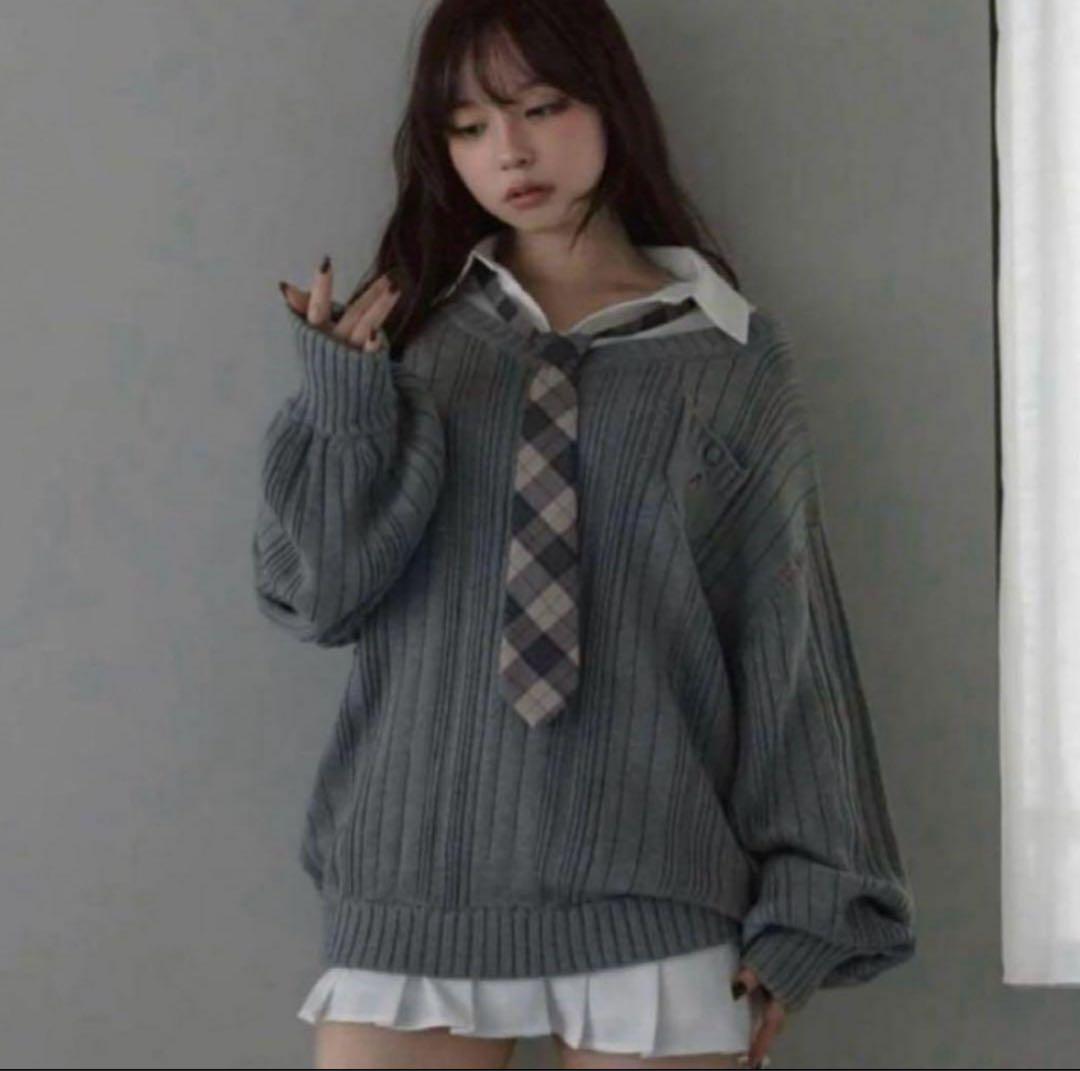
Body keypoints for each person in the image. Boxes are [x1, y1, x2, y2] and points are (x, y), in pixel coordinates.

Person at [255, 1, 917, 1067]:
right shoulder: (410, 341)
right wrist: (344, 406)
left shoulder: (729, 358)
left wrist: (807, 908)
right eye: (469, 126)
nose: (509, 152)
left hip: (655, 889)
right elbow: (313, 595)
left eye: (542, 107)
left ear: (610, 103)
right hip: (416, 880)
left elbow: (787, 644)